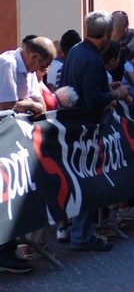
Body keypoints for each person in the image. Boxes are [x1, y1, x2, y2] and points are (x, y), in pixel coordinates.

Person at [61, 10, 131, 252]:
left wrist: (106, 87)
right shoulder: (91, 58)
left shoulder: (76, 52)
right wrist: (115, 93)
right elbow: (92, 99)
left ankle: (80, 233)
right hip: (87, 128)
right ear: (105, 34)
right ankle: (82, 236)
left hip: (75, 125)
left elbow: (76, 87)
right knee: (87, 183)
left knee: (82, 183)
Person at [0, 36, 56, 274]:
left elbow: (39, 104)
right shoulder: (7, 64)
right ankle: (5, 252)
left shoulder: (30, 70)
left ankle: (10, 248)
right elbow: (7, 107)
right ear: (33, 57)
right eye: (43, 66)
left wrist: (26, 104)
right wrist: (25, 104)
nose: (44, 72)